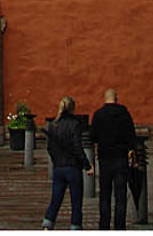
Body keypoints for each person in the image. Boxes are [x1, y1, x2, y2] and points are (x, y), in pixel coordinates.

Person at [90, 88, 138, 230]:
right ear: (116, 98)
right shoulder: (124, 114)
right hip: (121, 158)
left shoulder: (99, 115)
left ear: (105, 98)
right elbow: (131, 136)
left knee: (105, 194)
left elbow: (92, 137)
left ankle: (104, 226)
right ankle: (120, 226)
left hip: (105, 158)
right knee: (120, 195)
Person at [42, 95, 92, 231]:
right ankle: (75, 227)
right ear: (72, 109)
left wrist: (56, 160)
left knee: (56, 199)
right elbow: (77, 147)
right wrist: (87, 165)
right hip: (73, 167)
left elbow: (49, 148)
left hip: (58, 167)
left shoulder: (53, 125)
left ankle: (48, 223)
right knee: (76, 201)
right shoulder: (75, 125)